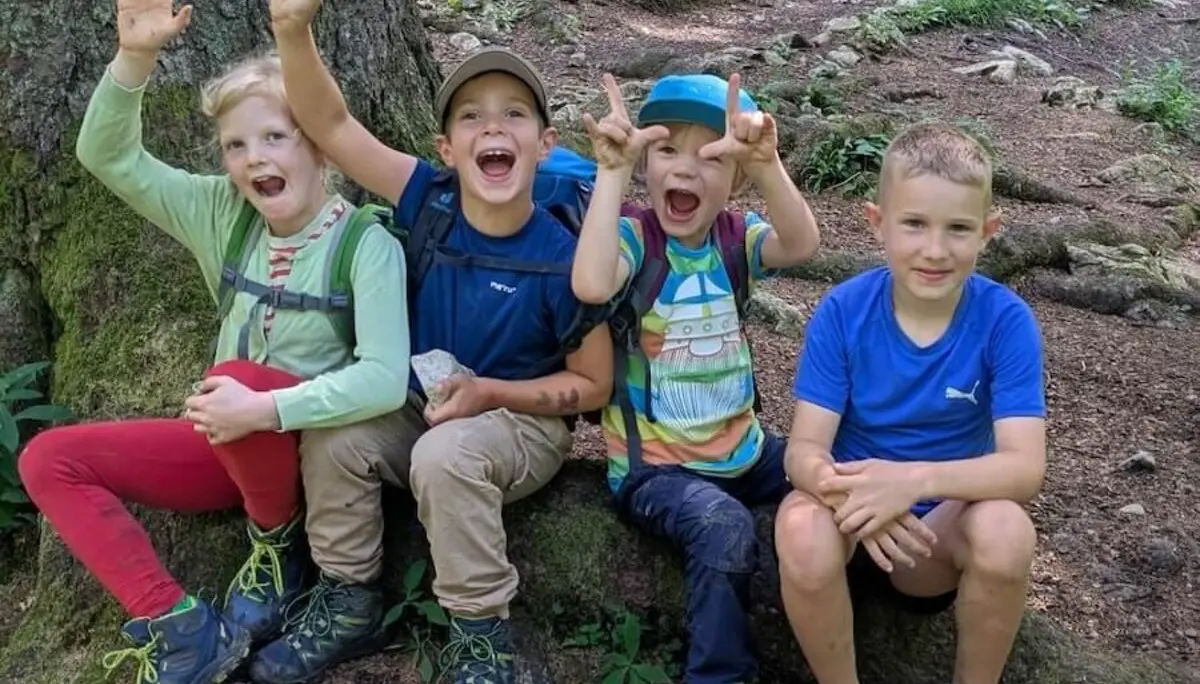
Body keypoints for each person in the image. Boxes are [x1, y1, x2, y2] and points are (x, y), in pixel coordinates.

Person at [16, 0, 411, 682]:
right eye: (236, 145)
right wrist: (135, 57)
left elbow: (383, 378)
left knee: (239, 376)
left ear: (319, 143)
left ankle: (277, 545)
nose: (254, 157)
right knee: (49, 459)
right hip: (227, 440)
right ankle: (182, 628)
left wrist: (263, 411)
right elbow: (105, 154)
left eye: (276, 137)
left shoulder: (365, 242)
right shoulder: (223, 213)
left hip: (313, 453)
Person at [262, 1, 614, 682]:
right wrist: (292, 31)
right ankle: (348, 599)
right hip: (420, 404)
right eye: (471, 115)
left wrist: (489, 395)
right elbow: (331, 126)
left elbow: (593, 385)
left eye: (515, 113)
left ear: (544, 145)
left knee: (447, 453)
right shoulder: (429, 201)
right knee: (335, 435)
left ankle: (482, 635)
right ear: (448, 149)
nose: (493, 125)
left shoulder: (567, 256)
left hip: (521, 421)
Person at [570, 71, 821, 683]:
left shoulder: (735, 241)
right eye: (666, 150)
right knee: (724, 526)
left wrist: (766, 163)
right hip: (656, 469)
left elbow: (803, 244)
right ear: (645, 164)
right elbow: (592, 285)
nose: (686, 169)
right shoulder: (634, 237)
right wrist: (610, 174)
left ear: (733, 180)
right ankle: (718, 675)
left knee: (828, 471)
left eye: (709, 156)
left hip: (747, 452)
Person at [775, 121, 1047, 684]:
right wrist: (860, 499)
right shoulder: (845, 310)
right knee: (799, 525)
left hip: (936, 541)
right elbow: (803, 451)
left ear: (988, 231)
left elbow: (1024, 468)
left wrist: (912, 483)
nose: (935, 249)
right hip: (847, 530)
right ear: (878, 223)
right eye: (915, 224)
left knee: (1008, 530)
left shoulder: (1005, 321)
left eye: (958, 229)